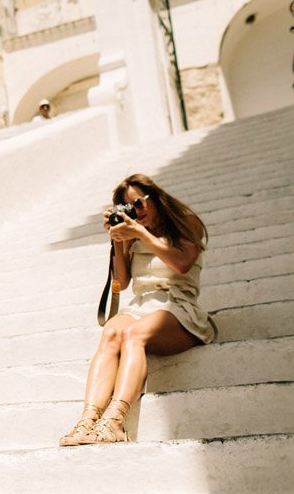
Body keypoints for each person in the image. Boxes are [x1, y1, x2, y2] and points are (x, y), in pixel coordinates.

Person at [59, 174, 215, 446]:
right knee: (111, 330)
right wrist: (119, 241)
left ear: (155, 198)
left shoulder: (186, 224)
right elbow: (122, 281)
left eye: (139, 203)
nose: (136, 212)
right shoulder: (132, 235)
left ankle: (115, 422)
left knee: (133, 333)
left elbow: (182, 264)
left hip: (178, 306)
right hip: (141, 305)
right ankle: (88, 420)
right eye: (128, 207)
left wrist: (141, 232)